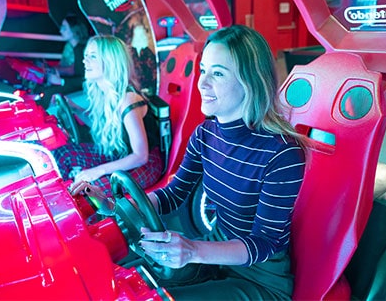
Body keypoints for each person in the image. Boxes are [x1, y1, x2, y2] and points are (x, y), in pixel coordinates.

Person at [73, 24, 307, 300]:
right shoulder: (205, 135)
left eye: (217, 74)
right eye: (203, 70)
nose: (202, 83)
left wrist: (193, 250)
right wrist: (121, 206)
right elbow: (173, 194)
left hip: (260, 280)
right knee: (120, 280)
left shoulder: (283, 154)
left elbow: (265, 243)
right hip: (216, 256)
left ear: (251, 80)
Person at [54, 35, 163, 197]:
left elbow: (140, 156)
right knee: (61, 154)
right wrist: (75, 109)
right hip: (119, 153)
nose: (85, 61)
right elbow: (103, 125)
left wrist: (96, 172)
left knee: (88, 190)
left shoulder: (128, 100)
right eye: (86, 56)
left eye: (93, 56)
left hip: (144, 164)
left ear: (110, 61)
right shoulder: (103, 93)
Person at [38, 14, 89, 108]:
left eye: (64, 28)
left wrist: (61, 81)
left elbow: (83, 79)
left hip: (83, 89)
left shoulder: (81, 50)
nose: (61, 30)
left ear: (74, 30)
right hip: (77, 85)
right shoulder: (76, 48)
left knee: (48, 93)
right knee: (45, 90)